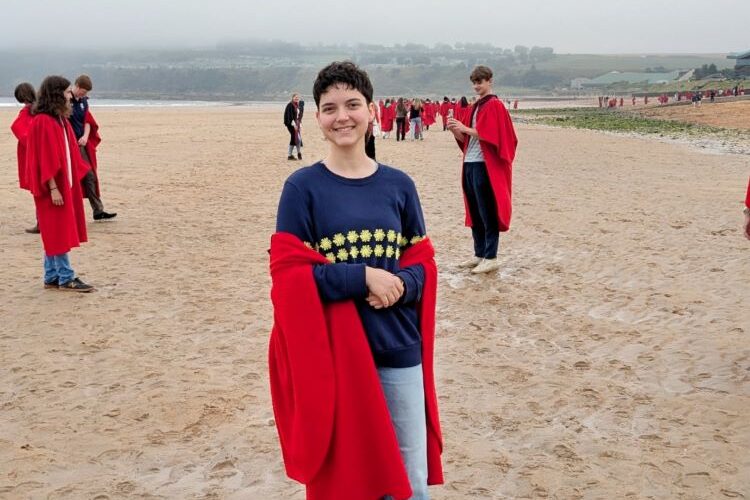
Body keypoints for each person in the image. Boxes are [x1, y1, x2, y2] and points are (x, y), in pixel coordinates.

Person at [270, 61, 443, 500]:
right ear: (317, 119)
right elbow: (289, 278)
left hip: (398, 348)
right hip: (337, 357)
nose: (341, 116)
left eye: (352, 105)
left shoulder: (399, 185)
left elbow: (423, 263)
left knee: (410, 484)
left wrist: (402, 285)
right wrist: (362, 276)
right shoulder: (301, 188)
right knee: (351, 484)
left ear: (372, 111)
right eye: (330, 108)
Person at [25, 75, 93, 292]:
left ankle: (52, 275)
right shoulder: (44, 121)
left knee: (54, 230)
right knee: (57, 229)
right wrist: (53, 188)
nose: (68, 96)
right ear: (56, 95)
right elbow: (45, 158)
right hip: (52, 187)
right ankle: (65, 276)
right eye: (65, 93)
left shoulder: (57, 119)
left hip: (62, 184)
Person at [447, 65, 518, 274]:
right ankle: (479, 254)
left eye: (480, 81)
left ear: (490, 81)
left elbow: (494, 136)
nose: (477, 86)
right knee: (475, 211)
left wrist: (464, 128)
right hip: (470, 163)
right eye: (475, 82)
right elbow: (469, 138)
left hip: (484, 166)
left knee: (487, 211)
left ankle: (491, 256)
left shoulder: (495, 105)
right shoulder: (476, 106)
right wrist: (455, 130)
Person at [70, 75, 116, 221]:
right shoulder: (65, 100)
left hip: (81, 144)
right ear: (76, 86)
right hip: (69, 146)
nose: (83, 95)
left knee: (90, 176)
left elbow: (88, 121)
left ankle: (98, 210)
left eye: (85, 93)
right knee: (73, 178)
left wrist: (85, 136)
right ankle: (70, 212)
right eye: (82, 92)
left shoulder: (83, 102)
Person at [10, 82, 39, 234]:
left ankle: (40, 222)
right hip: (40, 151)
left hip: (31, 154)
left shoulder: (27, 111)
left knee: (37, 188)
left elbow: (17, 128)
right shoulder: (40, 108)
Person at [283, 93, 304, 160]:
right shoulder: (290, 105)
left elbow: (299, 116)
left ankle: (298, 153)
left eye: (297, 97)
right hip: (290, 124)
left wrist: (299, 124)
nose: (296, 98)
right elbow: (289, 116)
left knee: (298, 139)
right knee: (294, 138)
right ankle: (290, 155)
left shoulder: (297, 105)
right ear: (292, 98)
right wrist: (294, 124)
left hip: (297, 124)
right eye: (295, 97)